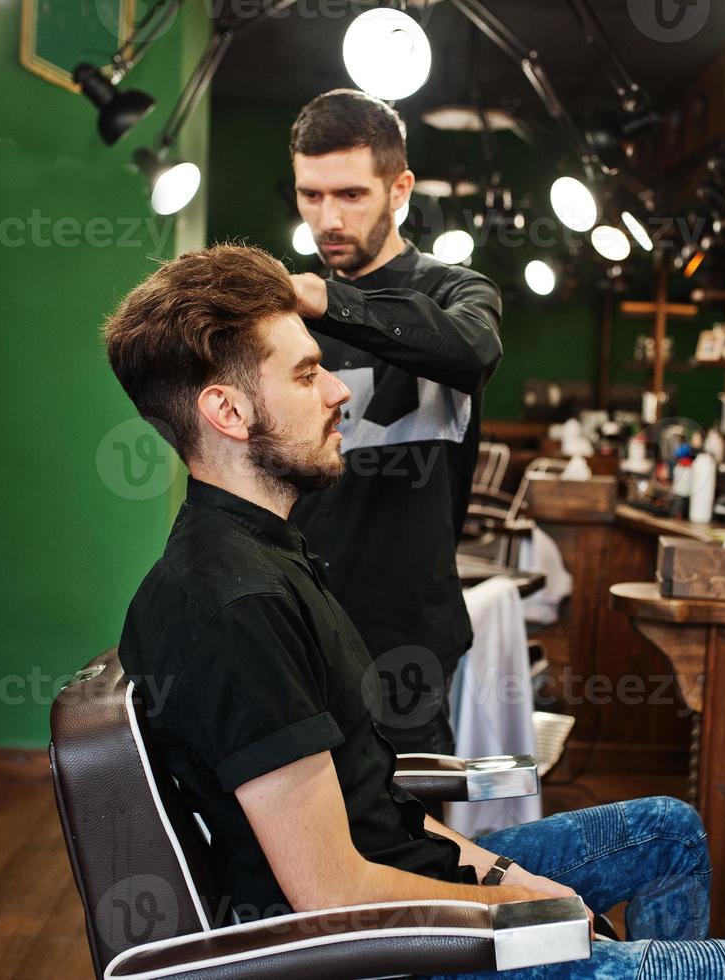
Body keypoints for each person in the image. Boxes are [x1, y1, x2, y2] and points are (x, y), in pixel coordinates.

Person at [104, 243, 725, 979]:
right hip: (388, 950)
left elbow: (374, 802)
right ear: (226, 410)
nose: (337, 392)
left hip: (411, 876)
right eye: (304, 373)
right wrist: (520, 913)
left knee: (669, 833)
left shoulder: (267, 552)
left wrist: (496, 873)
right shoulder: (236, 605)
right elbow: (330, 893)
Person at [284, 89, 503, 755]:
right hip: (295, 622)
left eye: (350, 194)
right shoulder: (282, 311)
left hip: (405, 635)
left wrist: (329, 300)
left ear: (398, 188)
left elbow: (470, 349)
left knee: (410, 842)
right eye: (310, 195)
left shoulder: (456, 292)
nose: (327, 218)